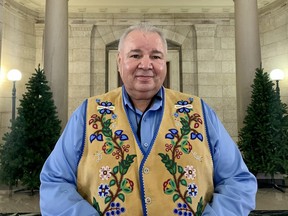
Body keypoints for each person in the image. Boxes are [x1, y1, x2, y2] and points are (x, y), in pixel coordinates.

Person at [40, 23, 257, 216]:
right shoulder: (87, 114)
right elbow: (55, 183)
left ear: (164, 61)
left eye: (156, 56)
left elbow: (237, 181)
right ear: (119, 61)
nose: (146, 64)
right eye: (135, 55)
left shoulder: (199, 112)